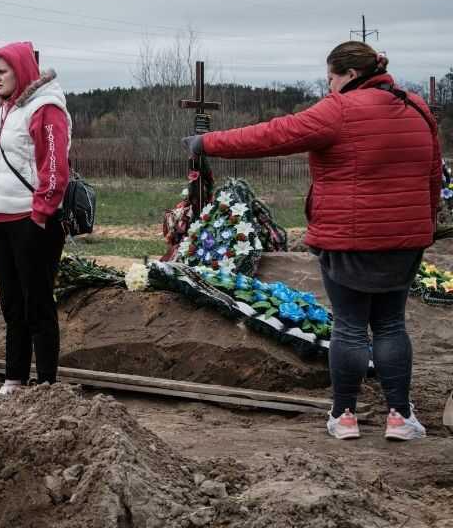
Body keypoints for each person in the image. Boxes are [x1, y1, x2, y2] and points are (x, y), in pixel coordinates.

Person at [183, 42, 442, 441]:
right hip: (404, 240)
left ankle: (344, 417)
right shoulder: (417, 108)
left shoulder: (338, 110)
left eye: (331, 78)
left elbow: (272, 135)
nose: (329, 86)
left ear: (350, 75)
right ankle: (400, 418)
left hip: (347, 241)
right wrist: (423, 225)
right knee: (391, 325)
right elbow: (432, 175)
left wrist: (206, 143)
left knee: (350, 327)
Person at [0, 42, 72, 394]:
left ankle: (46, 382)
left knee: (38, 304)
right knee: (12, 305)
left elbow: (54, 166)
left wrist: (41, 213)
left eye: (3, 71)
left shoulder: (45, 109)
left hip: (33, 222)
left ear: (20, 70)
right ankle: (14, 377)